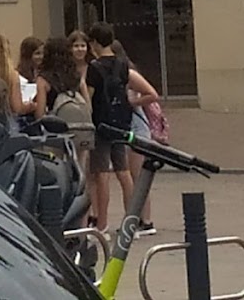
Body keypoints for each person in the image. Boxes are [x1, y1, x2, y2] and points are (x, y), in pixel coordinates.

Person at [86, 21, 135, 232]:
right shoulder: (122, 64)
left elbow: (89, 98)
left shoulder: (94, 67)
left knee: (102, 173)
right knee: (124, 171)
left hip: (101, 124)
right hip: (121, 123)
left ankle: (102, 224)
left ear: (95, 42)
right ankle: (131, 222)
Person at [114, 40, 162, 237]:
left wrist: (132, 102)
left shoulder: (128, 73)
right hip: (127, 126)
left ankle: (146, 220)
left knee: (138, 176)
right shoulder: (117, 73)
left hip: (137, 126)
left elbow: (152, 95)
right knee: (133, 175)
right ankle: (139, 218)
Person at [34, 36, 94, 168]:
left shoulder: (43, 79)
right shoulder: (77, 76)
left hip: (55, 131)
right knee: (79, 169)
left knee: (56, 168)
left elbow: (40, 114)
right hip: (79, 128)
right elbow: (88, 106)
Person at [17, 36, 44, 102]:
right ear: (28, 55)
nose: (41, 57)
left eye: (43, 53)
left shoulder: (44, 73)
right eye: (37, 53)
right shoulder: (19, 76)